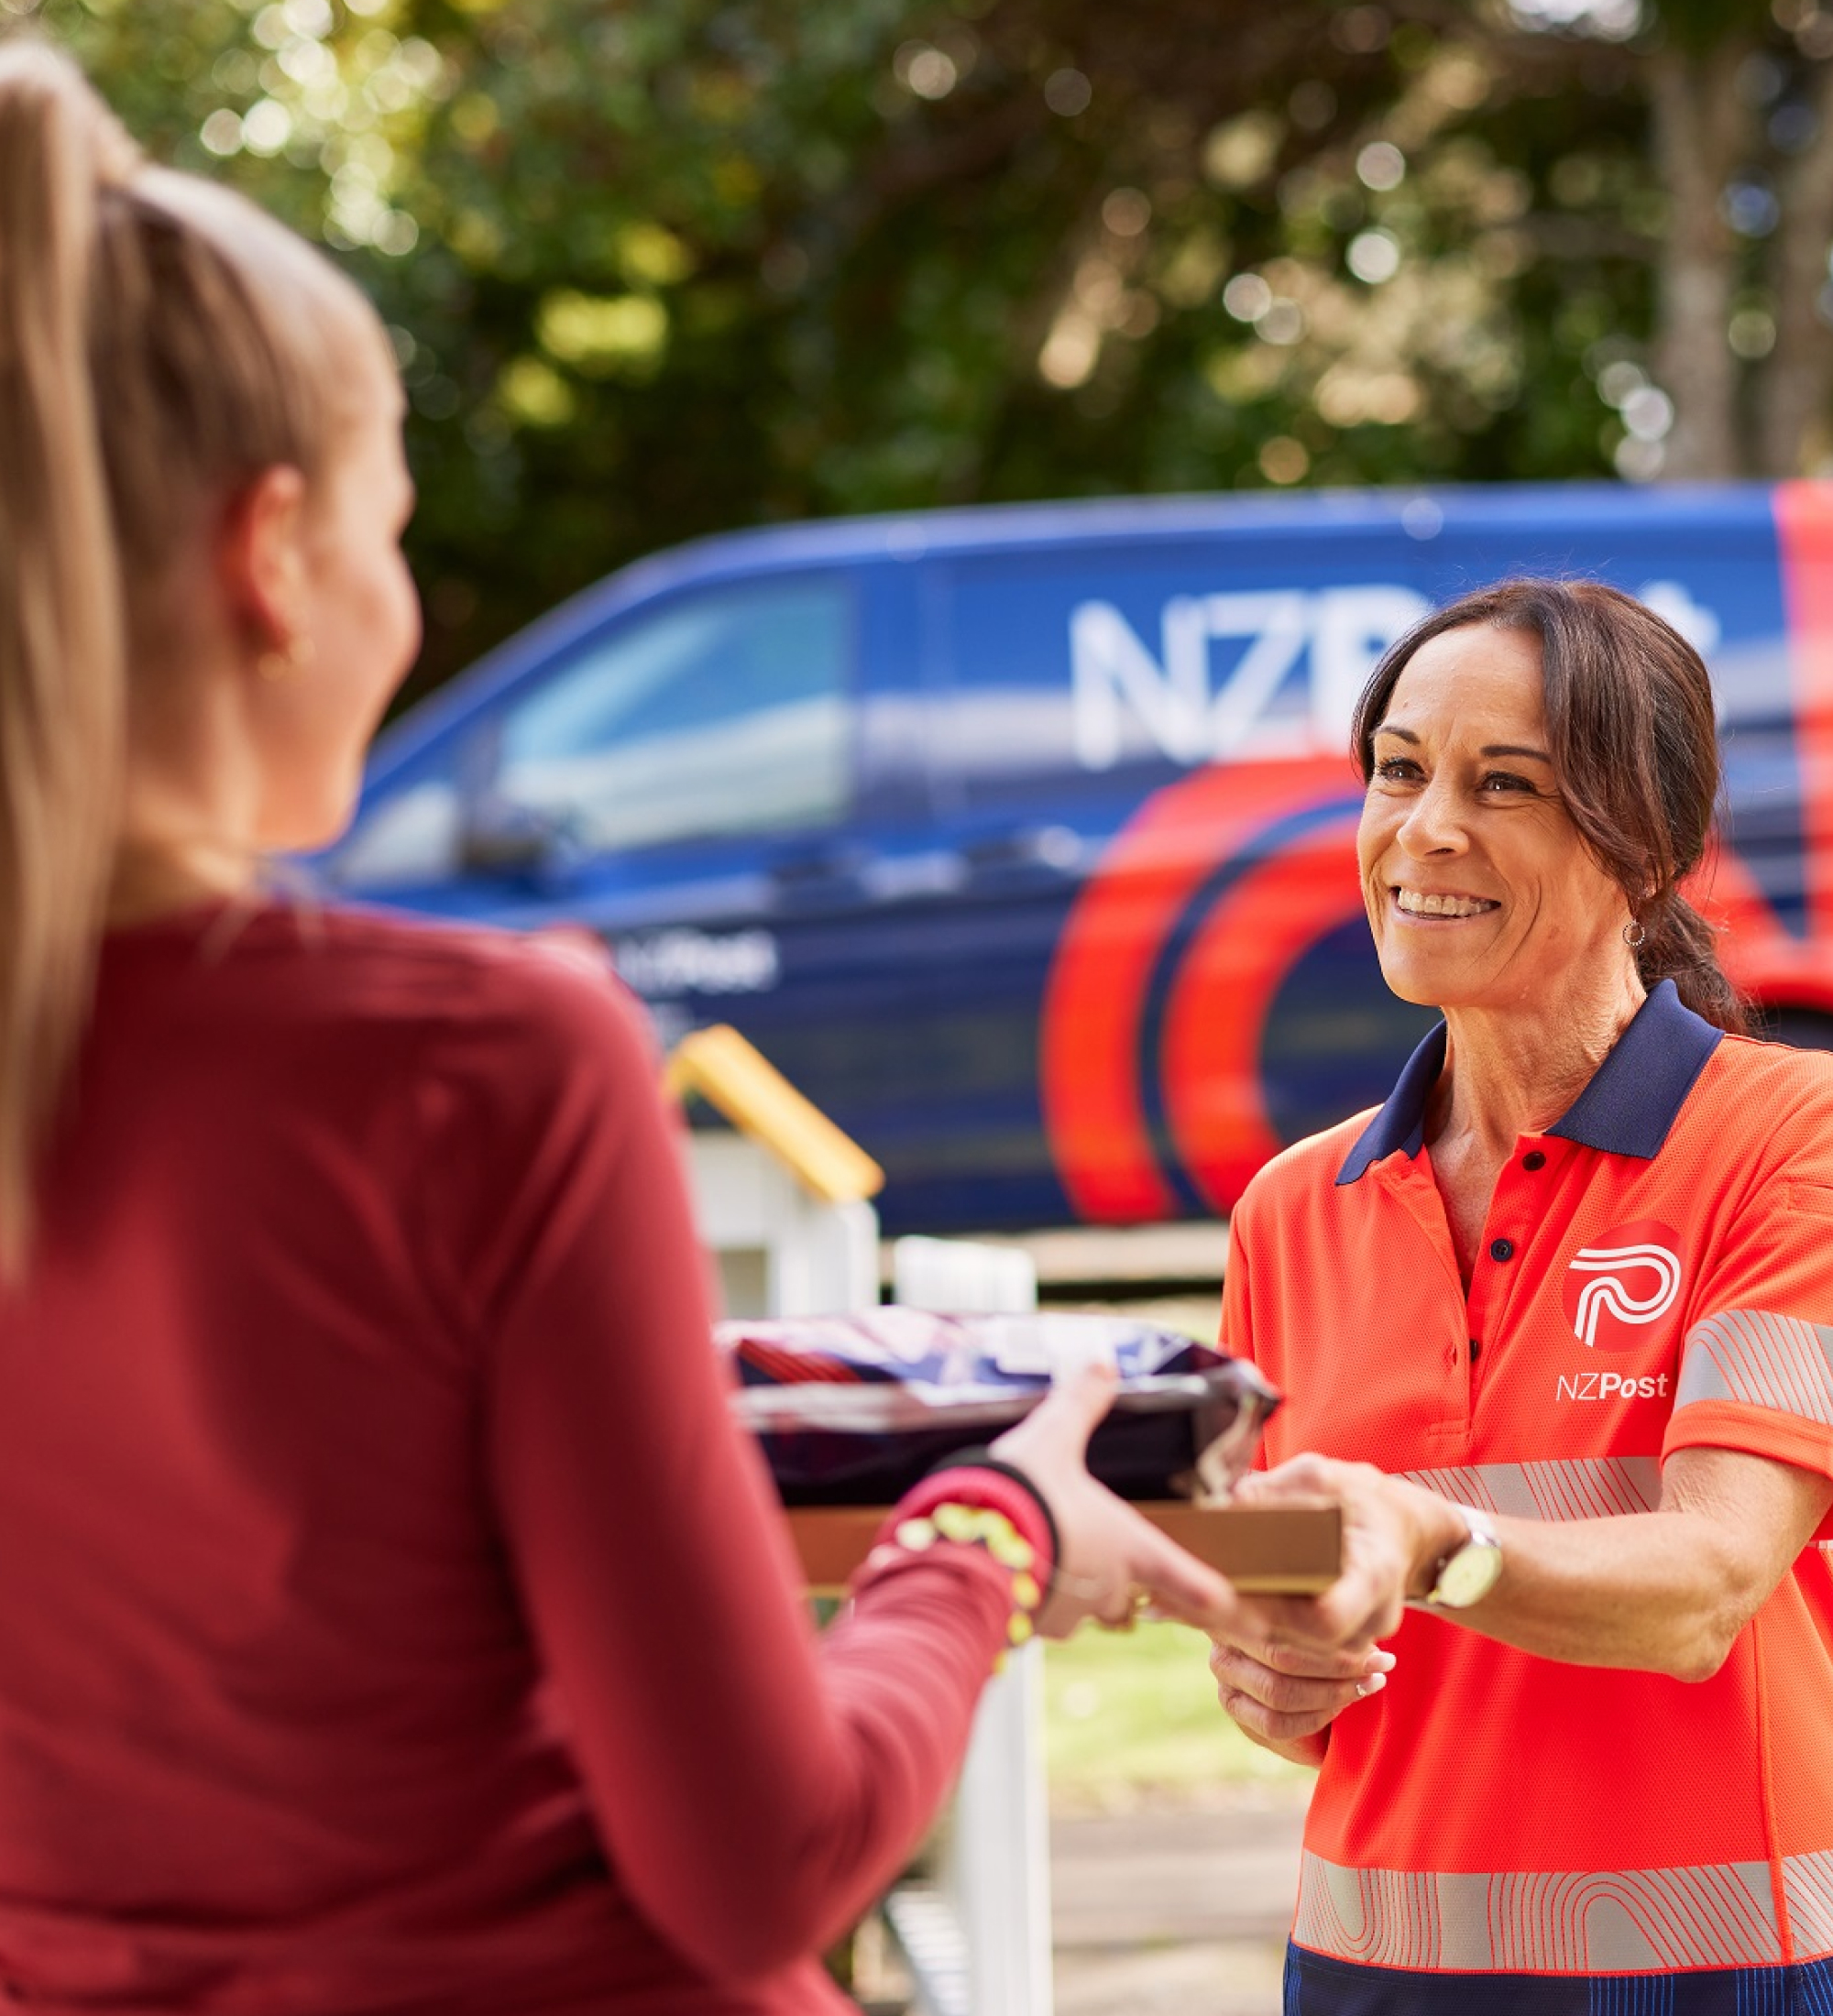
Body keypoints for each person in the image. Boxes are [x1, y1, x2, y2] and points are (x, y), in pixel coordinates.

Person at [0, 42, 1242, 2015]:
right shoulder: (472, 1061)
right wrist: (992, 1528)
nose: (403, 605)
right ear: (270, 558)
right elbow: (765, 1858)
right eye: (393, 533)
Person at [1207, 575, 1833, 2013]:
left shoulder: (1790, 1141)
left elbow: (1706, 1587)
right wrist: (1266, 1676)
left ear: (1649, 848)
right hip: (1369, 1976)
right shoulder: (1292, 1211)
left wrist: (1432, 1544)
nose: (1427, 831)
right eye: (1399, 772)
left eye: (1507, 785)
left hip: (1728, 1979)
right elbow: (1293, 1643)